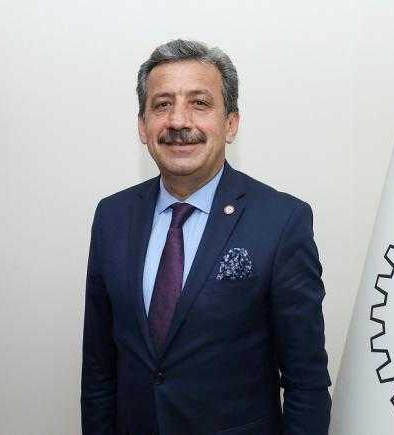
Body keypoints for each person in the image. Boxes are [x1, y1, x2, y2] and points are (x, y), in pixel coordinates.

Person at [81, 39, 331, 435]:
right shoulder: (112, 216)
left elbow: (307, 383)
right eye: (162, 104)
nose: (178, 121)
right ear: (143, 126)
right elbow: (99, 370)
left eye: (199, 103)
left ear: (231, 123)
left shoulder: (281, 221)